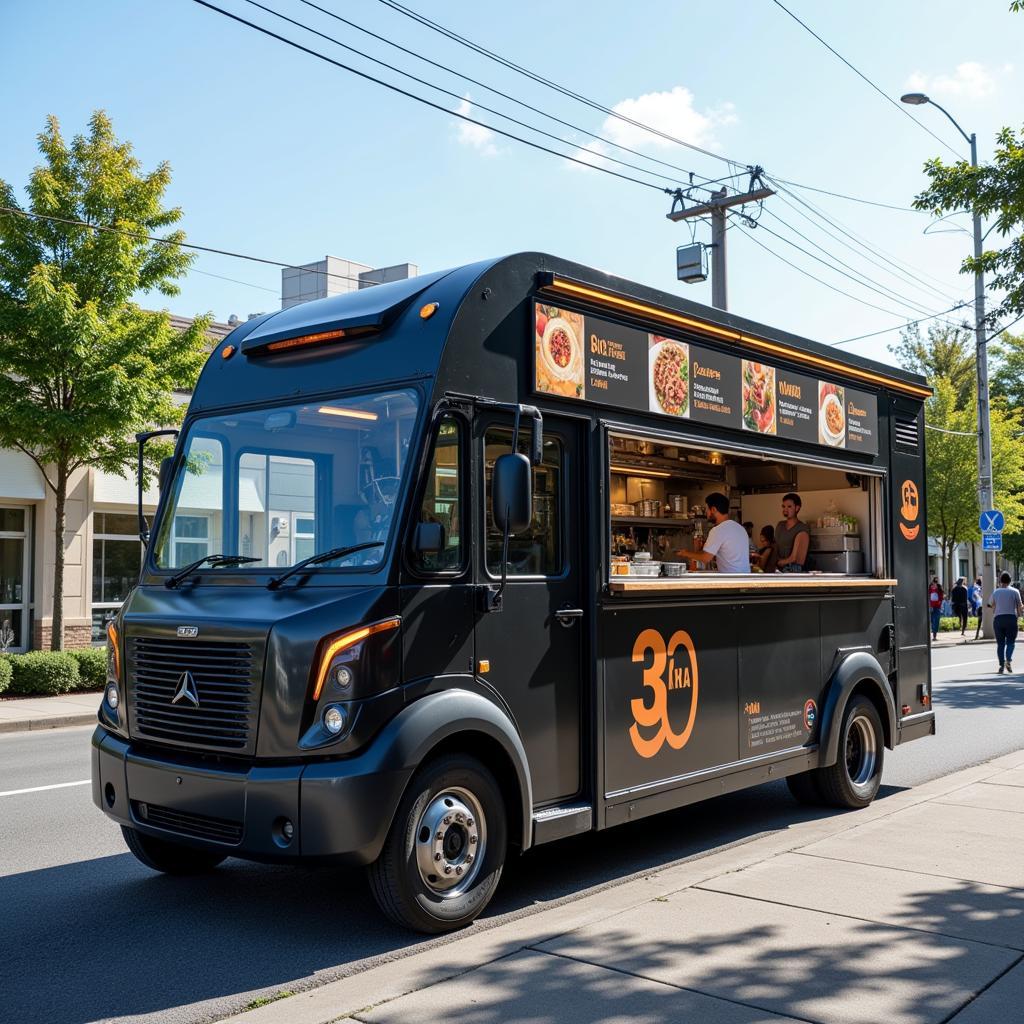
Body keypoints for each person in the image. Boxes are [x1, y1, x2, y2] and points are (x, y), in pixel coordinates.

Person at [676, 492, 751, 573]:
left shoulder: (718, 530)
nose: (706, 513)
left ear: (713, 509)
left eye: (707, 509)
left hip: (731, 581)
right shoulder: (740, 528)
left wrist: (685, 553)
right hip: (745, 580)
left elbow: (705, 558)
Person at [989, 572, 1023, 674]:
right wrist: (1020, 614)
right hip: (1011, 618)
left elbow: (990, 604)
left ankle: (1001, 664)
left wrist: (996, 608)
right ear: (1010, 580)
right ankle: (1008, 660)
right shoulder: (1015, 591)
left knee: (1000, 644)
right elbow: (1019, 606)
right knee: (1011, 642)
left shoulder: (996, 592)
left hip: (998, 619)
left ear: (1000, 581)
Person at [775, 493, 810, 573]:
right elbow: (775, 546)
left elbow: (797, 558)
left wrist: (781, 562)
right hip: (778, 568)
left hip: (792, 568)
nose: (785, 509)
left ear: (797, 508)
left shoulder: (802, 528)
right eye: (783, 506)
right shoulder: (780, 525)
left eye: (789, 506)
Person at [928, 576, 944, 640]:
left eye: (936, 582)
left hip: (937, 607)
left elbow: (941, 596)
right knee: (931, 621)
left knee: (936, 621)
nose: (934, 585)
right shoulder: (930, 587)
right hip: (931, 607)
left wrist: (939, 603)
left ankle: (934, 636)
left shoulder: (939, 587)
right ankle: (932, 634)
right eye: (934, 582)